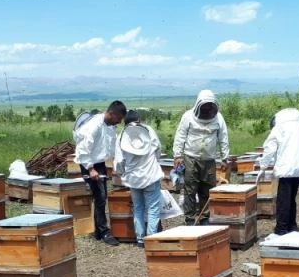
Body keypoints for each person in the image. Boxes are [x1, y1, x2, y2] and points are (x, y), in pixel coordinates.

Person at [258, 108, 299, 235]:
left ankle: (281, 229)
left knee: (283, 199)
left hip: (285, 169)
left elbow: (269, 149)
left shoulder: (279, 128)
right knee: (291, 198)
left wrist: (263, 167)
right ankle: (292, 225)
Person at [73, 100, 127, 246]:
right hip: (88, 163)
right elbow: (83, 148)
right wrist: (90, 169)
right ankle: (103, 231)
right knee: (100, 197)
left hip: (99, 163)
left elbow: (110, 146)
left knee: (101, 197)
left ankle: (98, 230)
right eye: (119, 118)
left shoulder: (109, 125)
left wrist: (115, 164)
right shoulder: (94, 125)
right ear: (112, 113)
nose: (119, 122)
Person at [173, 89, 230, 225]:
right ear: (198, 104)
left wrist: (225, 158)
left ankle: (205, 218)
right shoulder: (188, 116)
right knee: (190, 190)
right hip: (190, 158)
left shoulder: (219, 118)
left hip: (209, 160)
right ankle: (190, 219)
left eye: (210, 106)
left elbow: (223, 138)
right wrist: (178, 155)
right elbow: (180, 136)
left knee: (207, 190)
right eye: (205, 106)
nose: (207, 109)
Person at [113, 110, 163, 248]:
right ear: (139, 120)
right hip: (151, 175)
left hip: (134, 179)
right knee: (153, 209)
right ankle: (151, 239)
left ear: (125, 123)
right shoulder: (149, 130)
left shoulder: (122, 135)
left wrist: (122, 173)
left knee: (138, 208)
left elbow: (119, 161)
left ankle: (140, 239)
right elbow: (158, 149)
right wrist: (154, 162)